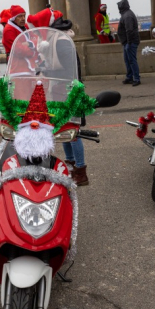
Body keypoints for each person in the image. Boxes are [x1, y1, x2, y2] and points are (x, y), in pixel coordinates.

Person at [51, 16, 89, 186]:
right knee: (64, 130)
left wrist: (47, 72)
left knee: (71, 131)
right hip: (65, 89)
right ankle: (72, 166)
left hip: (66, 90)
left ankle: (80, 171)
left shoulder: (61, 43)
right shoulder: (62, 41)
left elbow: (68, 71)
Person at [117, 0, 141, 86]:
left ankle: (136, 78)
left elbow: (129, 30)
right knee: (128, 60)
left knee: (131, 61)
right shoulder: (127, 14)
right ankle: (130, 77)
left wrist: (129, 43)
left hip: (130, 42)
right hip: (127, 42)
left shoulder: (127, 16)